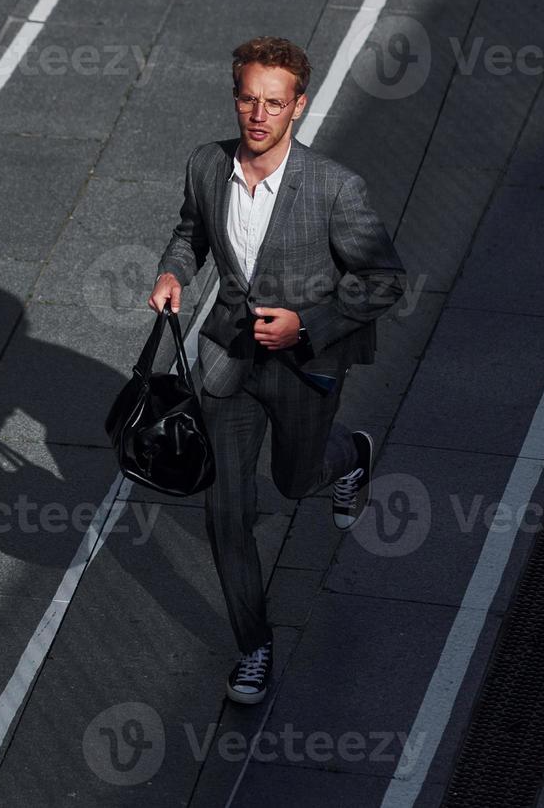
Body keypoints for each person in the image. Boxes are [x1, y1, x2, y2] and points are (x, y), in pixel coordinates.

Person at [147, 36, 406, 705]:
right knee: (224, 515)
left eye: (273, 103)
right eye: (247, 99)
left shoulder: (333, 188)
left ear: (298, 106)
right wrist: (175, 271)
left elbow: (382, 281)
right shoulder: (206, 165)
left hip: (303, 365)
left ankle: (349, 456)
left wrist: (307, 325)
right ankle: (253, 645)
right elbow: (190, 232)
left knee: (295, 482)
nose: (258, 114)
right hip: (227, 357)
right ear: (235, 99)